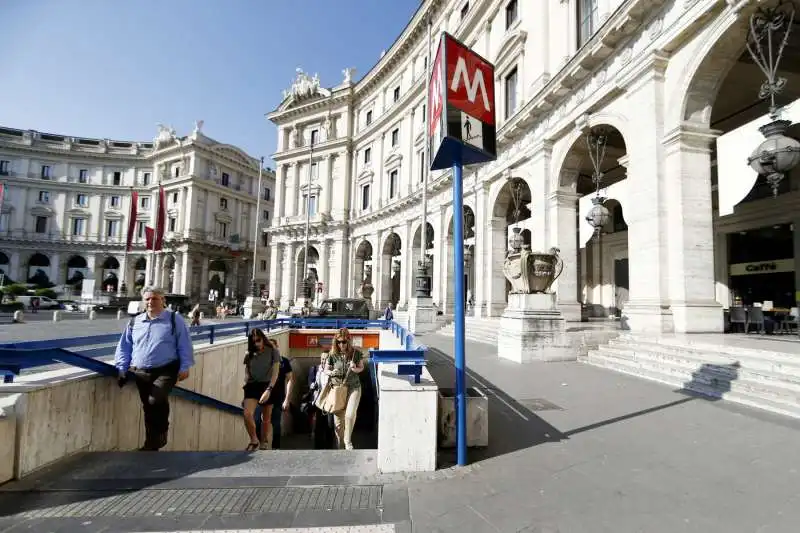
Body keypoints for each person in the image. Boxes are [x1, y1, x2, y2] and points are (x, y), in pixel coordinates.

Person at [114, 286, 194, 451]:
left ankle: (162, 431)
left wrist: (185, 366)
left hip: (166, 369)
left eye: (155, 299)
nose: (151, 302)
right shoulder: (135, 322)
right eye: (148, 299)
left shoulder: (174, 319)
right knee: (148, 406)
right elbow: (125, 347)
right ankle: (151, 443)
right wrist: (122, 368)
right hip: (140, 370)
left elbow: (184, 344)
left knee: (155, 399)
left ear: (163, 300)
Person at [324, 328, 365, 450]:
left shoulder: (356, 353)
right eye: (338, 342)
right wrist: (331, 372)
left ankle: (348, 441)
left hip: (353, 387)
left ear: (348, 341)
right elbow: (326, 369)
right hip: (337, 389)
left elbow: (361, 368)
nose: (341, 344)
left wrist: (354, 369)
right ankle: (339, 446)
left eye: (343, 342)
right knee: (338, 423)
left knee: (350, 414)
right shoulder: (332, 355)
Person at [242, 328, 280, 451]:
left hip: (267, 385)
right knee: (247, 413)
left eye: (258, 340)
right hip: (252, 384)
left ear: (263, 339)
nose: (256, 344)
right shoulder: (249, 353)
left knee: (266, 417)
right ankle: (254, 439)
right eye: (253, 342)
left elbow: (276, 372)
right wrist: (247, 376)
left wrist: (269, 389)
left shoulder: (273, 351)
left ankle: (264, 441)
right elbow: (247, 367)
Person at [267, 338, 294, 449]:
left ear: (277, 347)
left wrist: (287, 399)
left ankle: (275, 447)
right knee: (258, 421)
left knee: (276, 422)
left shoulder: (284, 362)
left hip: (278, 398)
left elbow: (290, 380)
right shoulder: (262, 362)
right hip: (262, 398)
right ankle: (260, 445)